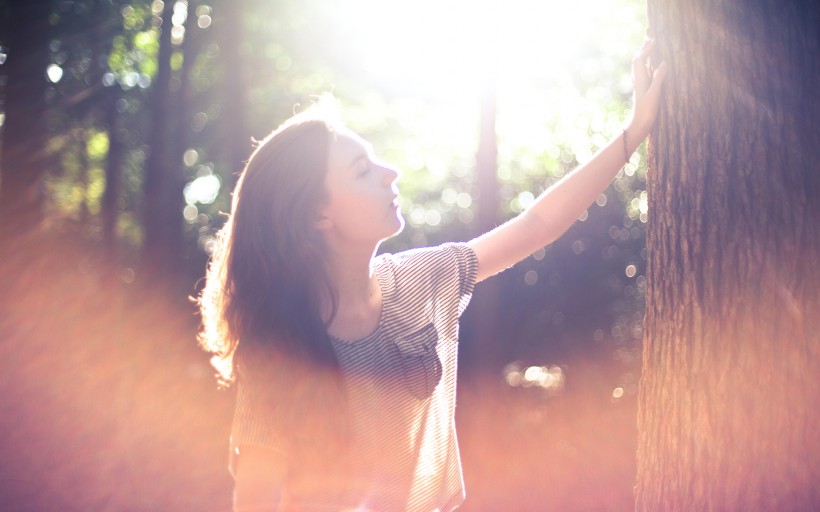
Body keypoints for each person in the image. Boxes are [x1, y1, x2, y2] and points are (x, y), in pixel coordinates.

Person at [197, 39, 667, 512]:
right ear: (319, 215)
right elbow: (255, 500)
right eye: (363, 171)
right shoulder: (281, 353)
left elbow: (537, 225)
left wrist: (633, 133)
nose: (390, 173)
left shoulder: (420, 280)